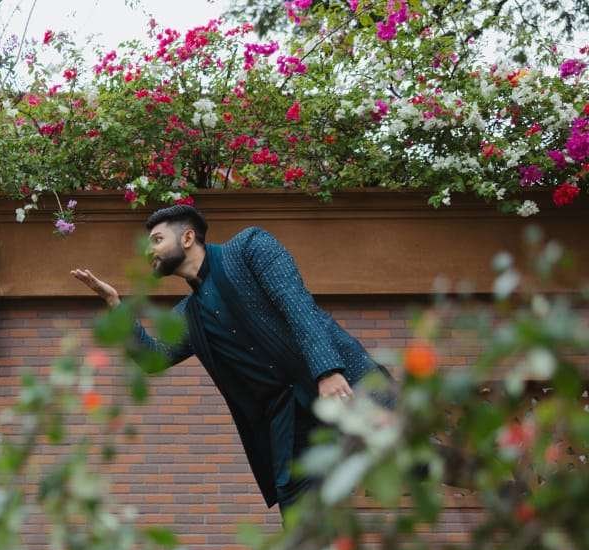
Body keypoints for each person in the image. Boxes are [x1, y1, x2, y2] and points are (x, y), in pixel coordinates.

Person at [72, 204, 391, 516]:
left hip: (341, 383)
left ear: (187, 238)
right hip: (290, 425)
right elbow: (152, 359)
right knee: (300, 521)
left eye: (156, 240)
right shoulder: (189, 315)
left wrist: (327, 371)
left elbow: (298, 306)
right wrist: (115, 304)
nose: (148, 251)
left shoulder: (250, 248)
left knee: (407, 460)